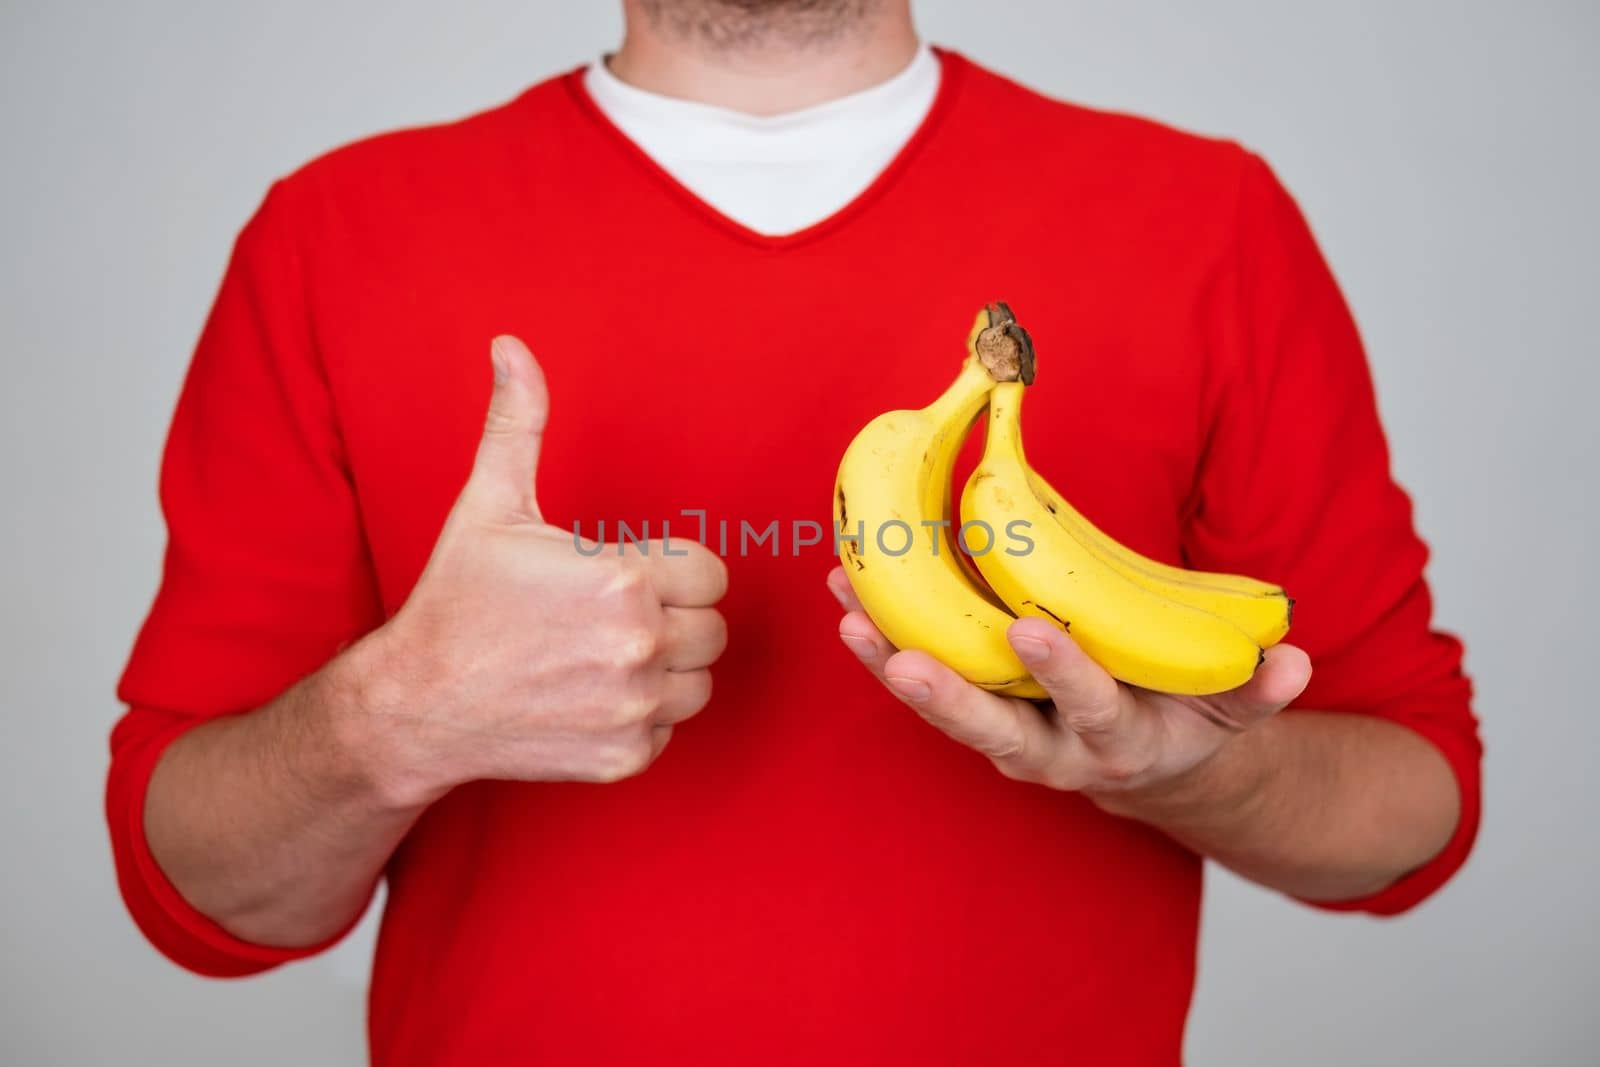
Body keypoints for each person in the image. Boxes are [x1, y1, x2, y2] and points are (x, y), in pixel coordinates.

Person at [106, 1, 1480, 1062]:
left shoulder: (1207, 222)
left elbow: (1415, 809)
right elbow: (207, 902)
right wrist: (386, 720)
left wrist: (1183, 775)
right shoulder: (337, 237)